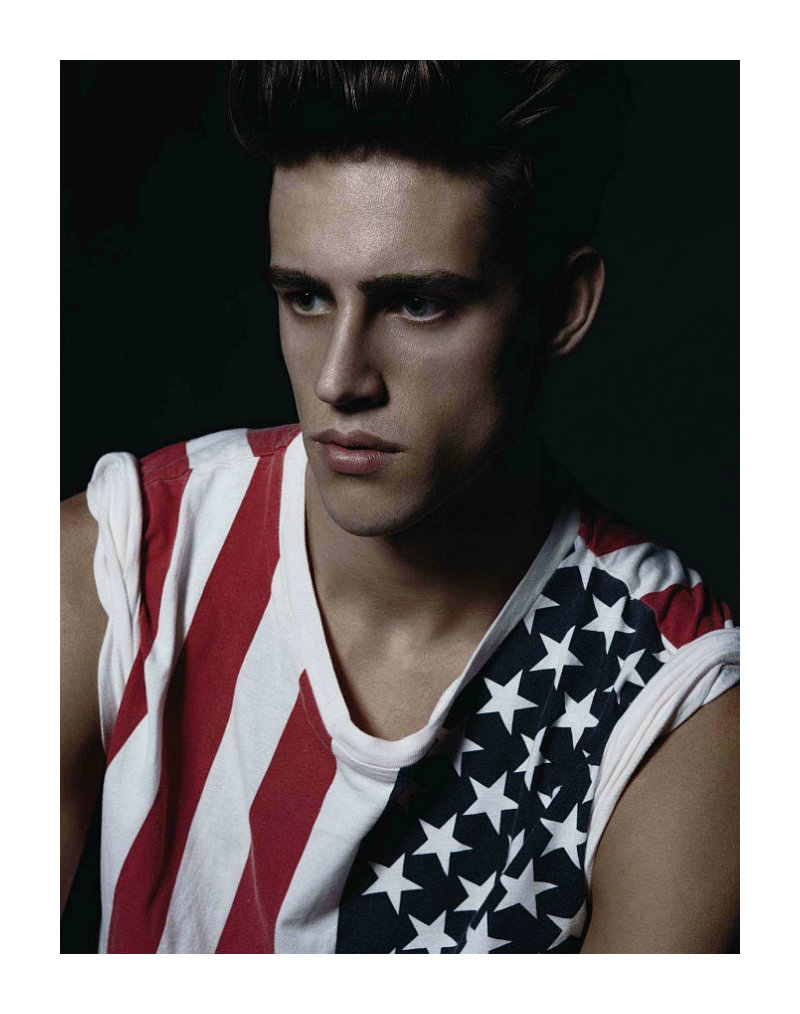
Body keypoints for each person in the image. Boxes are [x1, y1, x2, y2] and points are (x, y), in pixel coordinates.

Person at [60, 60, 739, 953]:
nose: (339, 379)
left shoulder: (676, 706)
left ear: (561, 308)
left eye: (418, 304)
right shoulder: (122, 561)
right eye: (306, 297)